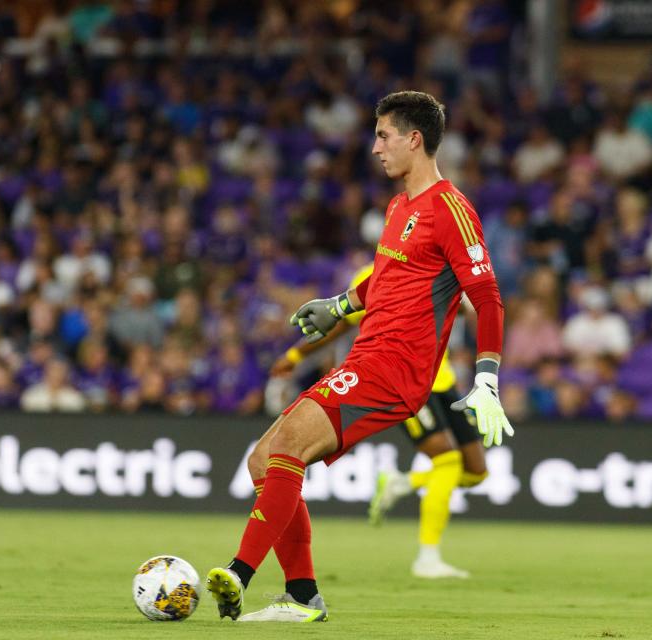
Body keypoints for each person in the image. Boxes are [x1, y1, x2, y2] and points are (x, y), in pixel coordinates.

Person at [205, 91, 511, 622]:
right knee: (263, 461)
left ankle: (238, 573)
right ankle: (302, 597)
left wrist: (486, 379)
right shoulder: (399, 207)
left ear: (414, 139)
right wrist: (339, 305)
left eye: (383, 135)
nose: (375, 148)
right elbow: (386, 280)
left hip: (396, 371)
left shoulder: (451, 210)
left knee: (291, 445)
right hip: (364, 358)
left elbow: (486, 298)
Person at [271, 263, 489, 580]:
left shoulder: (438, 270)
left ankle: (402, 482)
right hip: (407, 383)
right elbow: (340, 323)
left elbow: (471, 309)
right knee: (447, 461)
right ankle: (428, 557)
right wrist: (294, 357)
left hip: (444, 380)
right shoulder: (371, 276)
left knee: (476, 472)